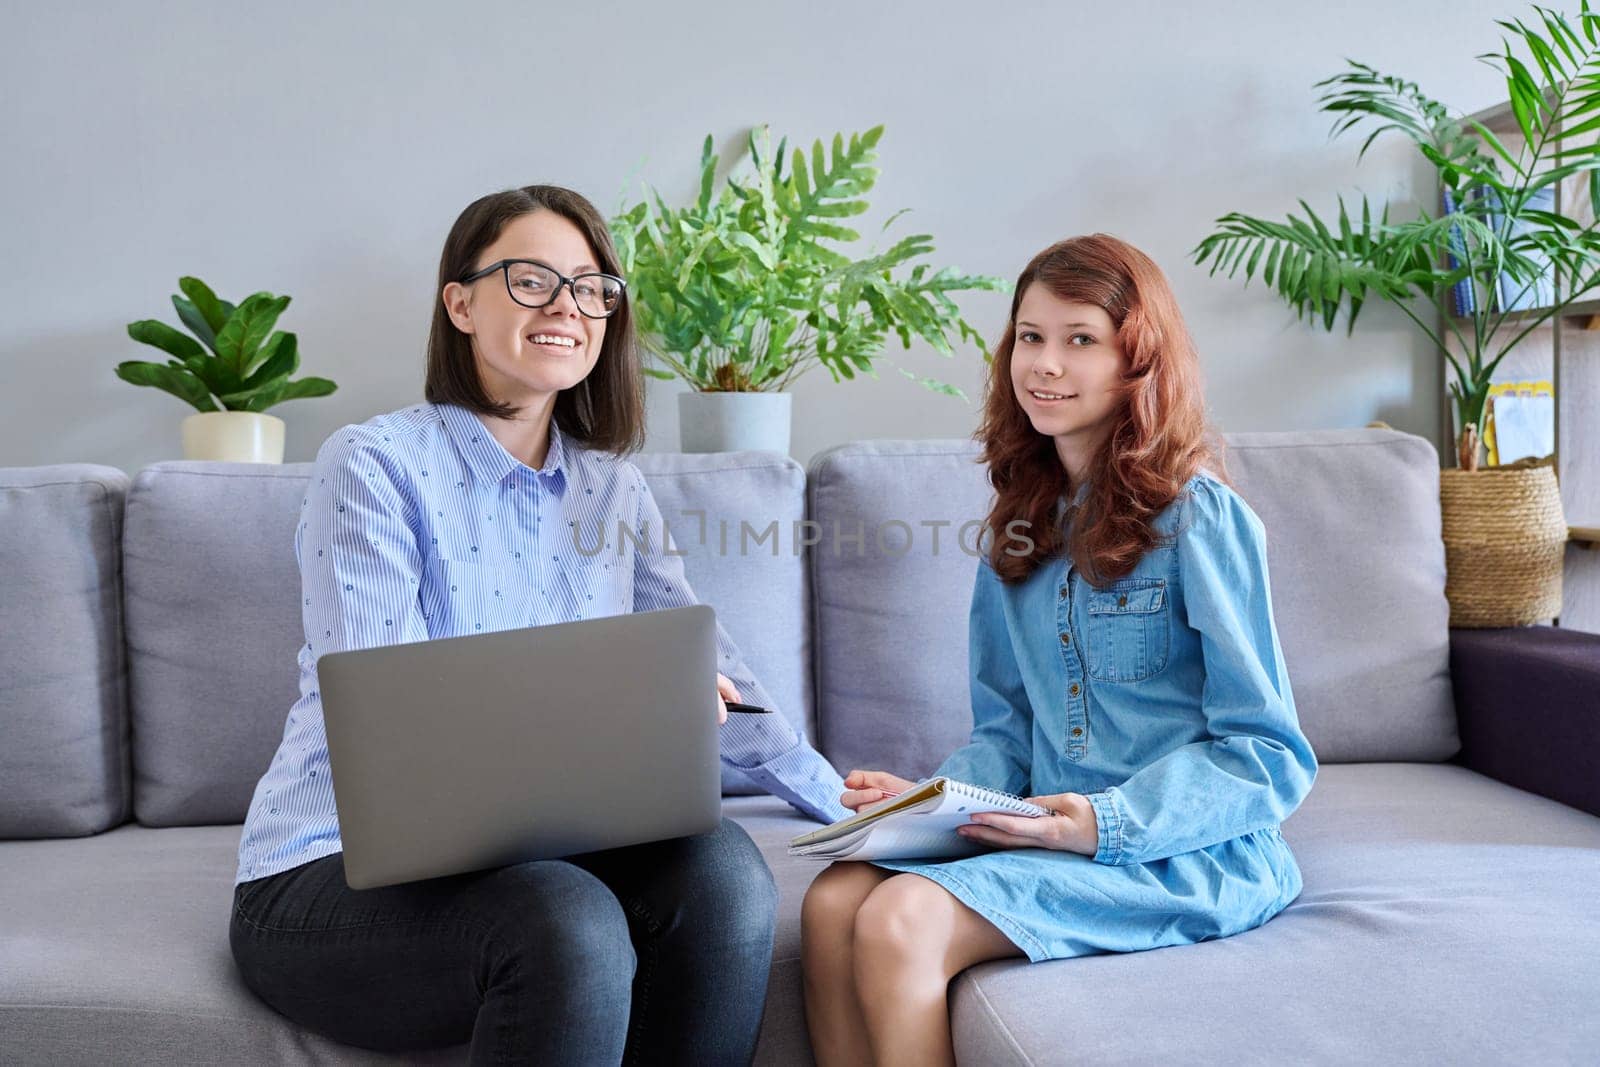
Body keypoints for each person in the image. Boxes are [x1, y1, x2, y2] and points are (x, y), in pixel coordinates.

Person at [229, 184, 849, 1066]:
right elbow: (386, 717)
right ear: (460, 303)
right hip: (329, 870)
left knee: (723, 873)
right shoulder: (373, 465)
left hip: (544, 860)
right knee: (569, 918)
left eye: (592, 287)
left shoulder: (613, 490)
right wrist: (608, 707)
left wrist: (852, 807)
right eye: (531, 280)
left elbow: (719, 676)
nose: (568, 306)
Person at [799, 234, 1319, 1067]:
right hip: (1045, 832)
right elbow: (1006, 732)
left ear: (1135, 360)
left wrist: (1101, 821)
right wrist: (932, 801)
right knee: (832, 902)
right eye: (1030, 337)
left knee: (904, 919)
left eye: (1080, 339)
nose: (1045, 363)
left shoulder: (1200, 519)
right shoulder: (1020, 529)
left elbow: (1269, 755)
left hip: (1180, 853)